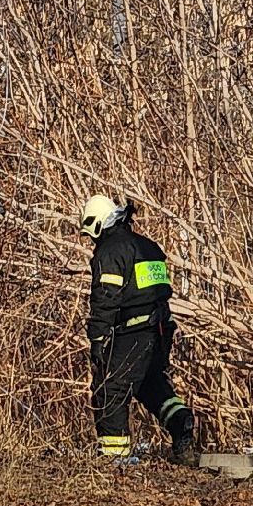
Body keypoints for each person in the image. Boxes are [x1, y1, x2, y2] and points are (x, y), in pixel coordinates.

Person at [79, 194, 197, 465]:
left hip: (134, 331)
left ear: (97, 224)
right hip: (159, 330)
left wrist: (97, 337)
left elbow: (105, 297)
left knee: (111, 388)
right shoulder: (146, 246)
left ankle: (114, 458)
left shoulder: (110, 251)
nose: (92, 241)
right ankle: (180, 421)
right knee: (149, 383)